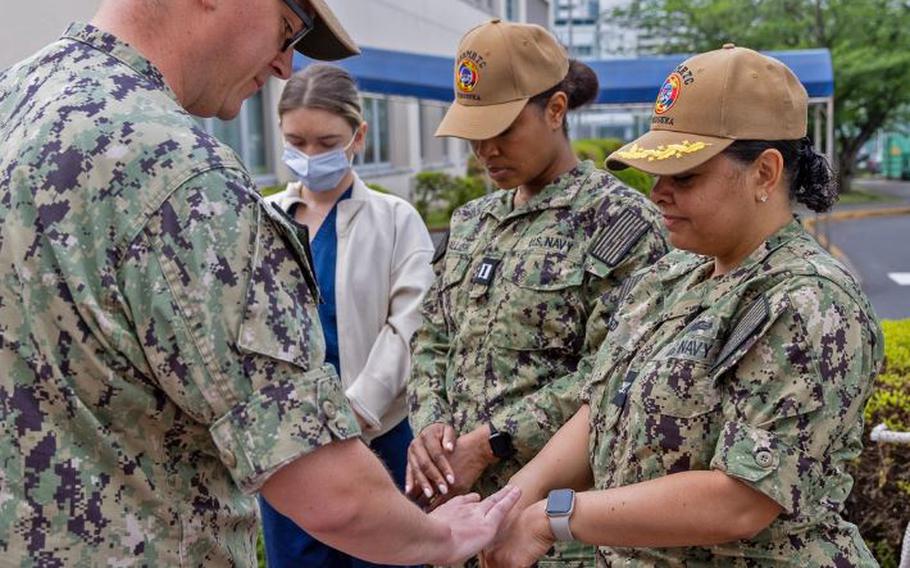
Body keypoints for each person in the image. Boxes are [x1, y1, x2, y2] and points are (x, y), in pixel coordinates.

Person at [0, 1, 520, 566]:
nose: (284, 64)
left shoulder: (18, 98)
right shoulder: (181, 175)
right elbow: (333, 497)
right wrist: (442, 540)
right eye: (287, 28)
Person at [483, 44, 884, 567]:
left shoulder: (809, 300)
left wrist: (553, 517)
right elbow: (602, 406)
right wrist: (512, 499)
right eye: (656, 174)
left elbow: (741, 498)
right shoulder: (672, 274)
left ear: (765, 172)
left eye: (686, 176)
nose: (658, 194)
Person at [406, 19, 669, 567]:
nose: (485, 149)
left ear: (555, 110)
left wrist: (490, 442)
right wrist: (431, 428)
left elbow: (615, 377)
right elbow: (432, 338)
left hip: (554, 531)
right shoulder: (472, 221)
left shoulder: (619, 224)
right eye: (474, 132)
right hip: (456, 517)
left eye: (503, 129)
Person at [259, 63, 435, 568]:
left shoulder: (395, 219)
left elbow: (409, 326)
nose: (310, 156)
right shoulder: (264, 218)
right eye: (297, 141)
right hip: (289, 451)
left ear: (358, 136)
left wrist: (352, 415)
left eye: (326, 141)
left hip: (378, 438)